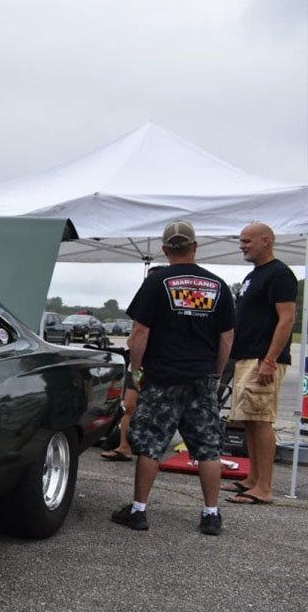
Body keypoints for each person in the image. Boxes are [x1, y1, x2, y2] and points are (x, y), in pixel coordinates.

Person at [111, 219, 235, 535]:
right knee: (208, 447)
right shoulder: (218, 285)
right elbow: (226, 337)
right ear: (195, 247)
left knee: (151, 444)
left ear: (165, 249)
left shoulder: (156, 282)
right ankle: (211, 514)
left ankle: (139, 510)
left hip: (162, 376)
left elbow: (140, 332)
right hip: (201, 376)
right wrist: (216, 373)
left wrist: (136, 370)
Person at [221, 222, 296, 506]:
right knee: (250, 420)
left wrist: (270, 359)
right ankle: (252, 479)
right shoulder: (254, 275)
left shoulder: (280, 274)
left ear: (266, 241)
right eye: (241, 241)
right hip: (247, 357)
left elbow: (287, 319)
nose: (242, 245)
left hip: (263, 359)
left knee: (262, 420)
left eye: (247, 241)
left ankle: (264, 488)